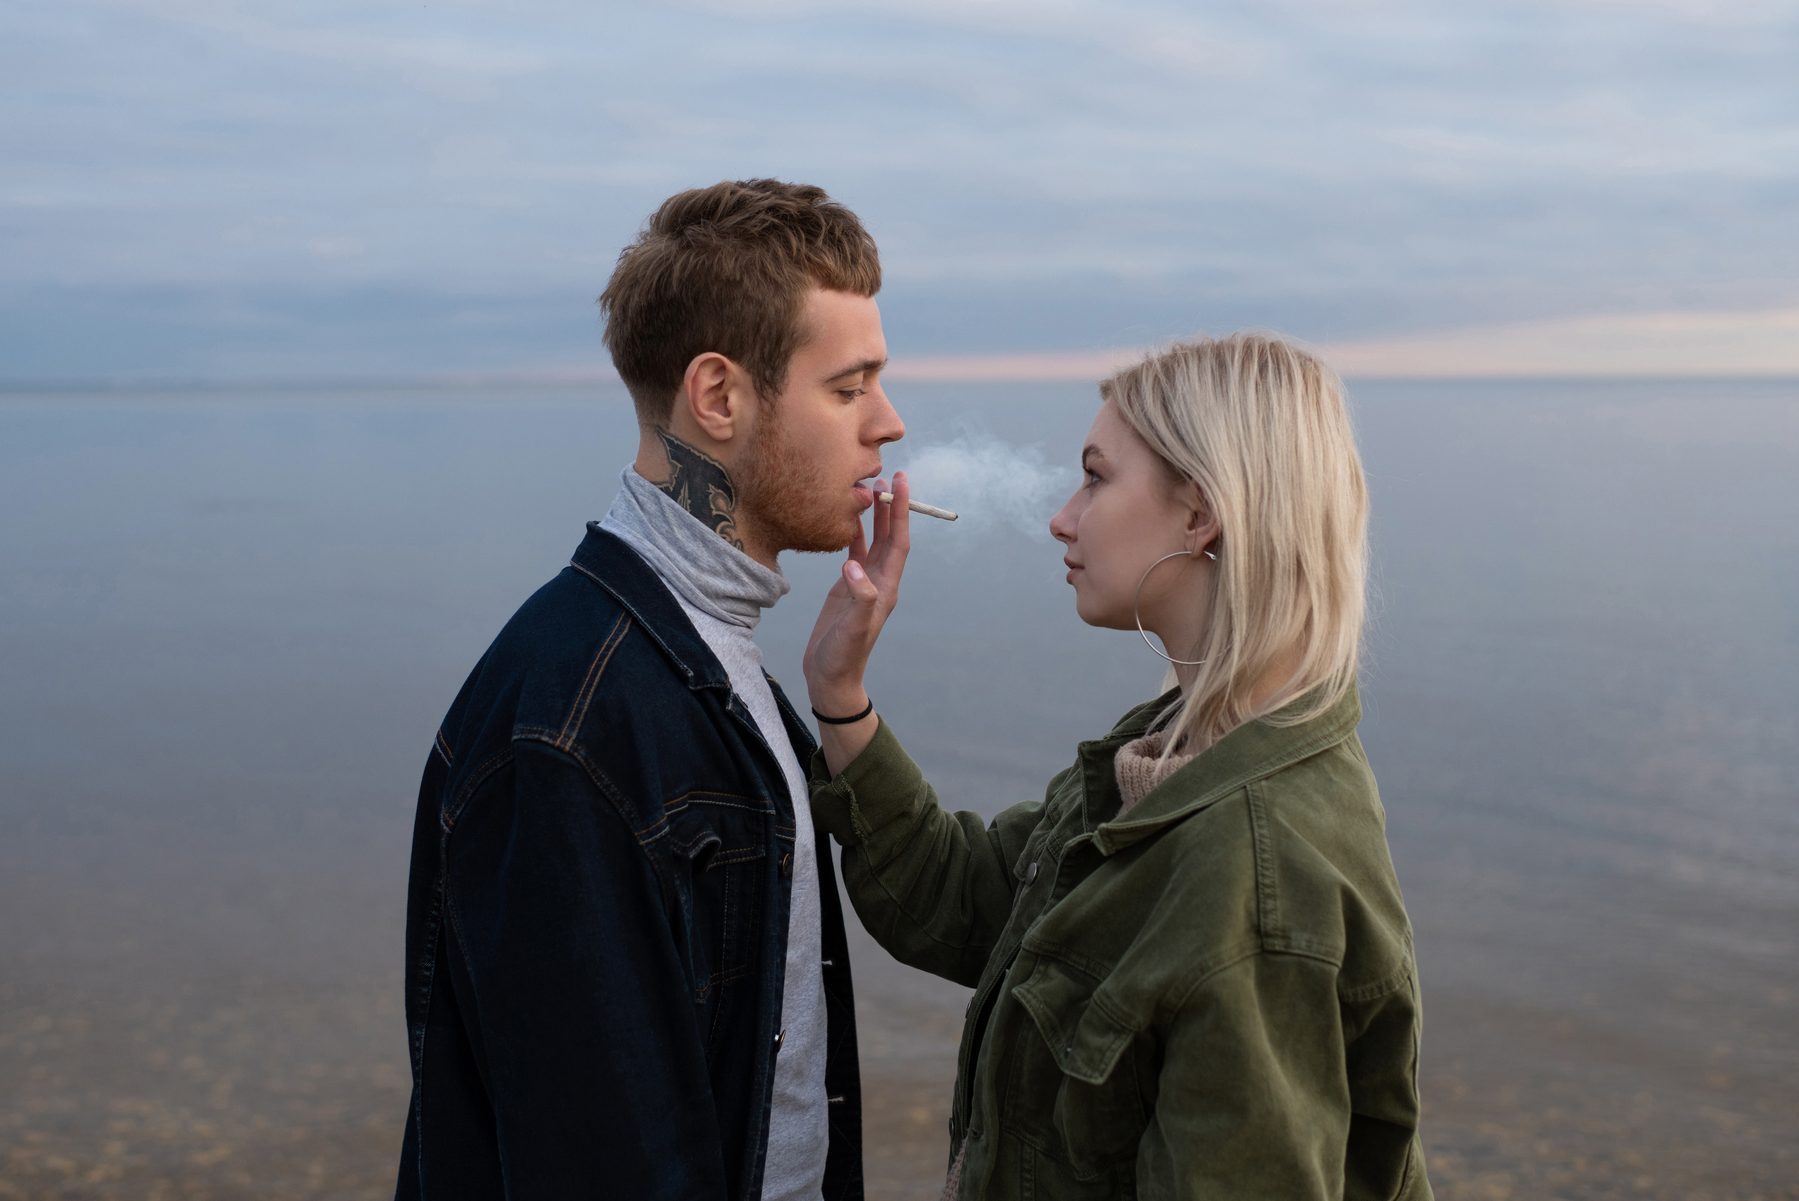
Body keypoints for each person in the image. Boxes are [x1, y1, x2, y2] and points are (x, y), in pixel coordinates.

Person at [800, 333, 1432, 1199]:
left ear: (1200, 512)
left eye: (1095, 477)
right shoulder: (1170, 749)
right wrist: (840, 690)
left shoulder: (1256, 872)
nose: (1062, 516)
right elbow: (964, 901)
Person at [396, 179, 904, 1201]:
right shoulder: (569, 733)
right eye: (847, 389)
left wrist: (836, 692)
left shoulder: (720, 658)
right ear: (717, 398)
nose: (886, 425)